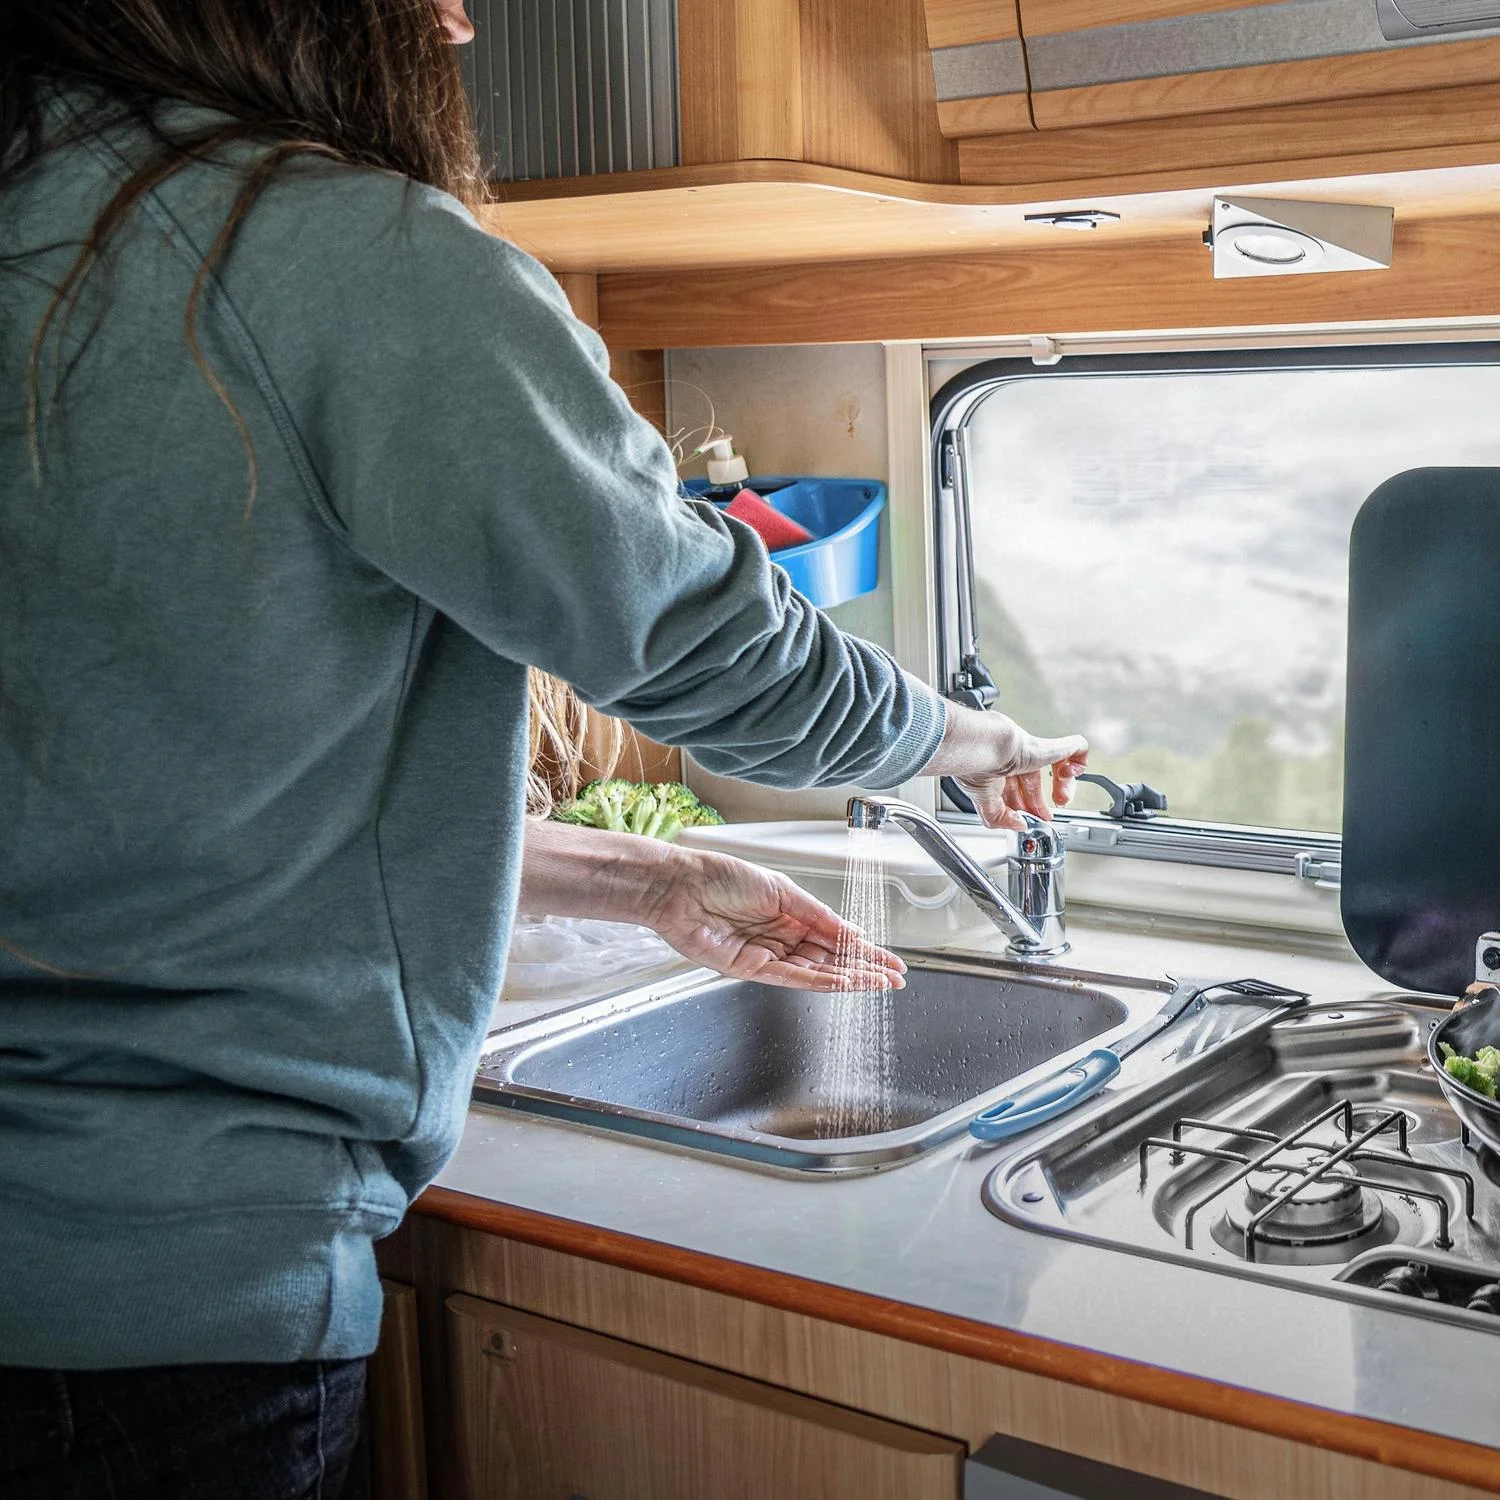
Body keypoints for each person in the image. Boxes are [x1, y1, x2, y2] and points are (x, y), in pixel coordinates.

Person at [0, 2, 1087, 1495]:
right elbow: (713, 650)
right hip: (139, 1302)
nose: (456, 21)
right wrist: (969, 737)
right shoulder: (330, 252)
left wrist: (642, 879)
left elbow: (141, 791)